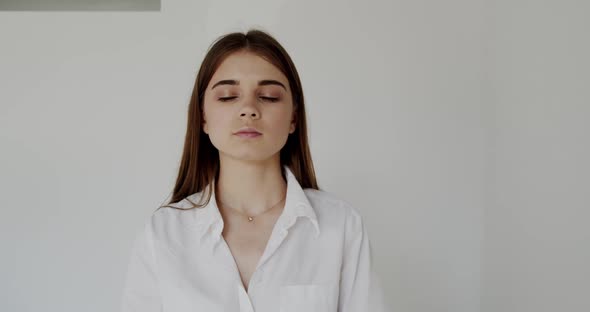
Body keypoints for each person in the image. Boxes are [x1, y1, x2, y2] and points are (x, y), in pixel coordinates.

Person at [120, 28, 389, 312]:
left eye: (269, 96)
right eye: (227, 96)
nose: (248, 109)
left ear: (293, 118)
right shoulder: (163, 235)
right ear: (203, 119)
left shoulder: (341, 228)